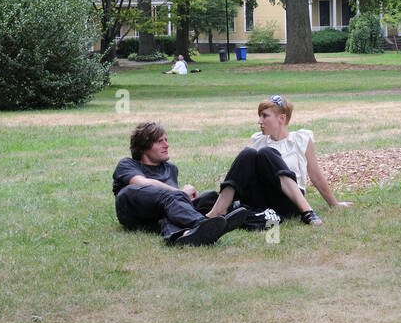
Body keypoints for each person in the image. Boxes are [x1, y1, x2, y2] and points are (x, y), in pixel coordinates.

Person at [205, 96, 351, 226]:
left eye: (265, 116)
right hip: (260, 199)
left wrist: (334, 203)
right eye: (259, 116)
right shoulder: (258, 140)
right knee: (248, 153)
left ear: (281, 118)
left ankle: (307, 212)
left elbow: (316, 177)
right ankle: (216, 212)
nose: (259, 121)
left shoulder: (300, 140)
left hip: (287, 201)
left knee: (267, 152)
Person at [112, 122, 248, 245]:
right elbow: (143, 182)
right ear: (143, 147)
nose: (166, 145)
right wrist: (180, 193)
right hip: (132, 208)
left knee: (210, 197)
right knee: (169, 197)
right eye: (160, 141)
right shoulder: (127, 164)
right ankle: (204, 223)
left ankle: (186, 235)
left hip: (155, 215)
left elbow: (172, 205)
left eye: (166, 140)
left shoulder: (170, 168)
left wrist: (182, 197)